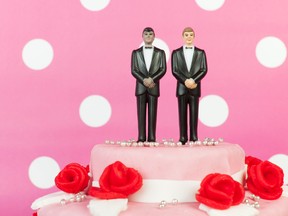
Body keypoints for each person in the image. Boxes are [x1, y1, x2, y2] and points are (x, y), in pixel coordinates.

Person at [171, 27, 208, 144]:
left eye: (191, 35)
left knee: (194, 112)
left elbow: (204, 69)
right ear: (183, 37)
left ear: (194, 37)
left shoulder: (200, 52)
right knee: (182, 114)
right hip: (182, 88)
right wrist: (185, 81)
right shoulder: (176, 53)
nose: (188, 37)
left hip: (195, 88)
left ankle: (194, 136)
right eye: (186, 35)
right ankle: (182, 137)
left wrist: (194, 80)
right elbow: (174, 70)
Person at [131, 27, 167, 142]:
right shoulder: (135, 53)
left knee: (153, 113)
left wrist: (152, 79)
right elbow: (134, 70)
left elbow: (163, 69)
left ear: (154, 36)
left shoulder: (160, 52)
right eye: (146, 34)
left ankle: (152, 137)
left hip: (153, 87)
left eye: (150, 34)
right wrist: (144, 80)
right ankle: (141, 137)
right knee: (141, 113)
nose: (148, 36)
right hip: (141, 87)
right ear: (142, 36)